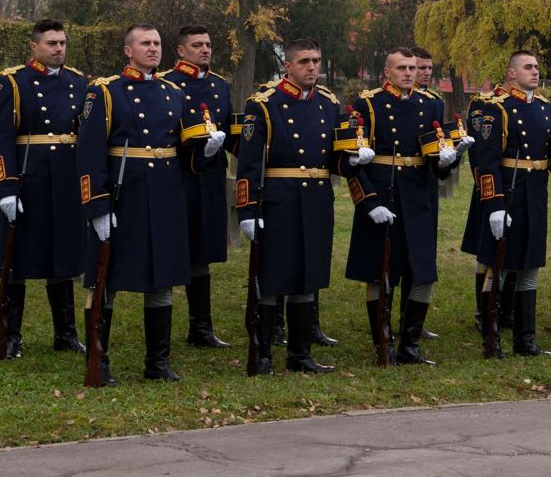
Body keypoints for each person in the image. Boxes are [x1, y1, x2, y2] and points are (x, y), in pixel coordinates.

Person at [77, 24, 225, 384]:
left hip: (164, 195)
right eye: (145, 43)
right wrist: (97, 206)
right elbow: (88, 153)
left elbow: (185, 151)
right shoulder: (106, 91)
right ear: (129, 50)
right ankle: (100, 359)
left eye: (157, 43)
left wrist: (203, 152)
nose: (153, 49)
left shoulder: (173, 92)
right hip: (123, 195)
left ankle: (157, 363)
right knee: (105, 277)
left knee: (163, 278)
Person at [236, 38, 364, 374]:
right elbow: (248, 165)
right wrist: (247, 210)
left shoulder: (327, 104)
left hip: (316, 199)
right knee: (274, 276)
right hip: (278, 200)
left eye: (317, 61)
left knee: (309, 275)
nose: (312, 67)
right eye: (305, 61)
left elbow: (333, 160)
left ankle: (300, 355)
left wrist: (352, 159)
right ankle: (262, 355)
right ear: (287, 66)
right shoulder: (263, 104)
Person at [345, 47, 466, 366]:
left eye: (412, 68)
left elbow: (436, 160)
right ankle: (382, 343)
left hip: (418, 196)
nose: (409, 73)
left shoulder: (431, 103)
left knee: (422, 271)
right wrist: (368, 202)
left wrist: (448, 161)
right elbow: (352, 162)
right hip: (384, 192)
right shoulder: (368, 103)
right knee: (380, 271)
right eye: (401, 68)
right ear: (387, 72)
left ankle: (410, 344)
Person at [0, 19, 87, 358]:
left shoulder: (78, 82)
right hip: (29, 179)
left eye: (62, 42)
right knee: (18, 256)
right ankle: (11, 335)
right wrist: (6, 189)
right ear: (34, 46)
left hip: (65, 179)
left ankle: (66, 334)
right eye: (51, 43)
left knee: (63, 253)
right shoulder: (13, 82)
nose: (58, 48)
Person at [475, 50, 551, 357]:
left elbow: (549, 160)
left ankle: (525, 339)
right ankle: (491, 336)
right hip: (510, 192)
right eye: (528, 67)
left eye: (537, 67)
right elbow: (486, 161)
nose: (535, 72)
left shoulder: (544, 108)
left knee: (530, 264)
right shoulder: (496, 108)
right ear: (511, 74)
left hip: (535, 193)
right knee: (500, 265)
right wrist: (494, 204)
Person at [161, 25, 234, 349]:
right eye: (197, 45)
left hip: (211, 177)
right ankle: (161, 320)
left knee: (203, 250)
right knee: (177, 247)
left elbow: (230, 130)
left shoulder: (219, 85)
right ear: (181, 50)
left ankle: (201, 327)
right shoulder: (168, 84)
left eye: (207, 44)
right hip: (178, 176)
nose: (205, 50)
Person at [461, 82, 509, 332]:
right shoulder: (483, 103)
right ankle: (484, 309)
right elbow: (479, 150)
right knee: (487, 249)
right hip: (488, 187)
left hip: (513, 189)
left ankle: (506, 307)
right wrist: (483, 186)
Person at [408, 46, 444, 340]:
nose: (425, 73)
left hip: (425, 182)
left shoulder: (434, 102)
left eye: (429, 68)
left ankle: (415, 320)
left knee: (423, 253)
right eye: (421, 68)